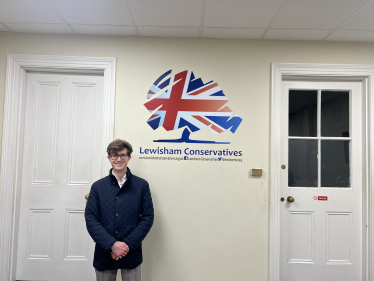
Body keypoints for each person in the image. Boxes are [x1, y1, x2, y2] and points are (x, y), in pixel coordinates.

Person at [85, 139, 154, 281]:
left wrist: (127, 245)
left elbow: (147, 217)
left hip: (131, 251)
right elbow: (91, 218)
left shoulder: (142, 185)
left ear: (129, 157)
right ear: (109, 158)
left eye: (122, 155)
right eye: (114, 155)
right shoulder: (97, 187)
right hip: (104, 252)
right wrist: (112, 244)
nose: (118, 159)